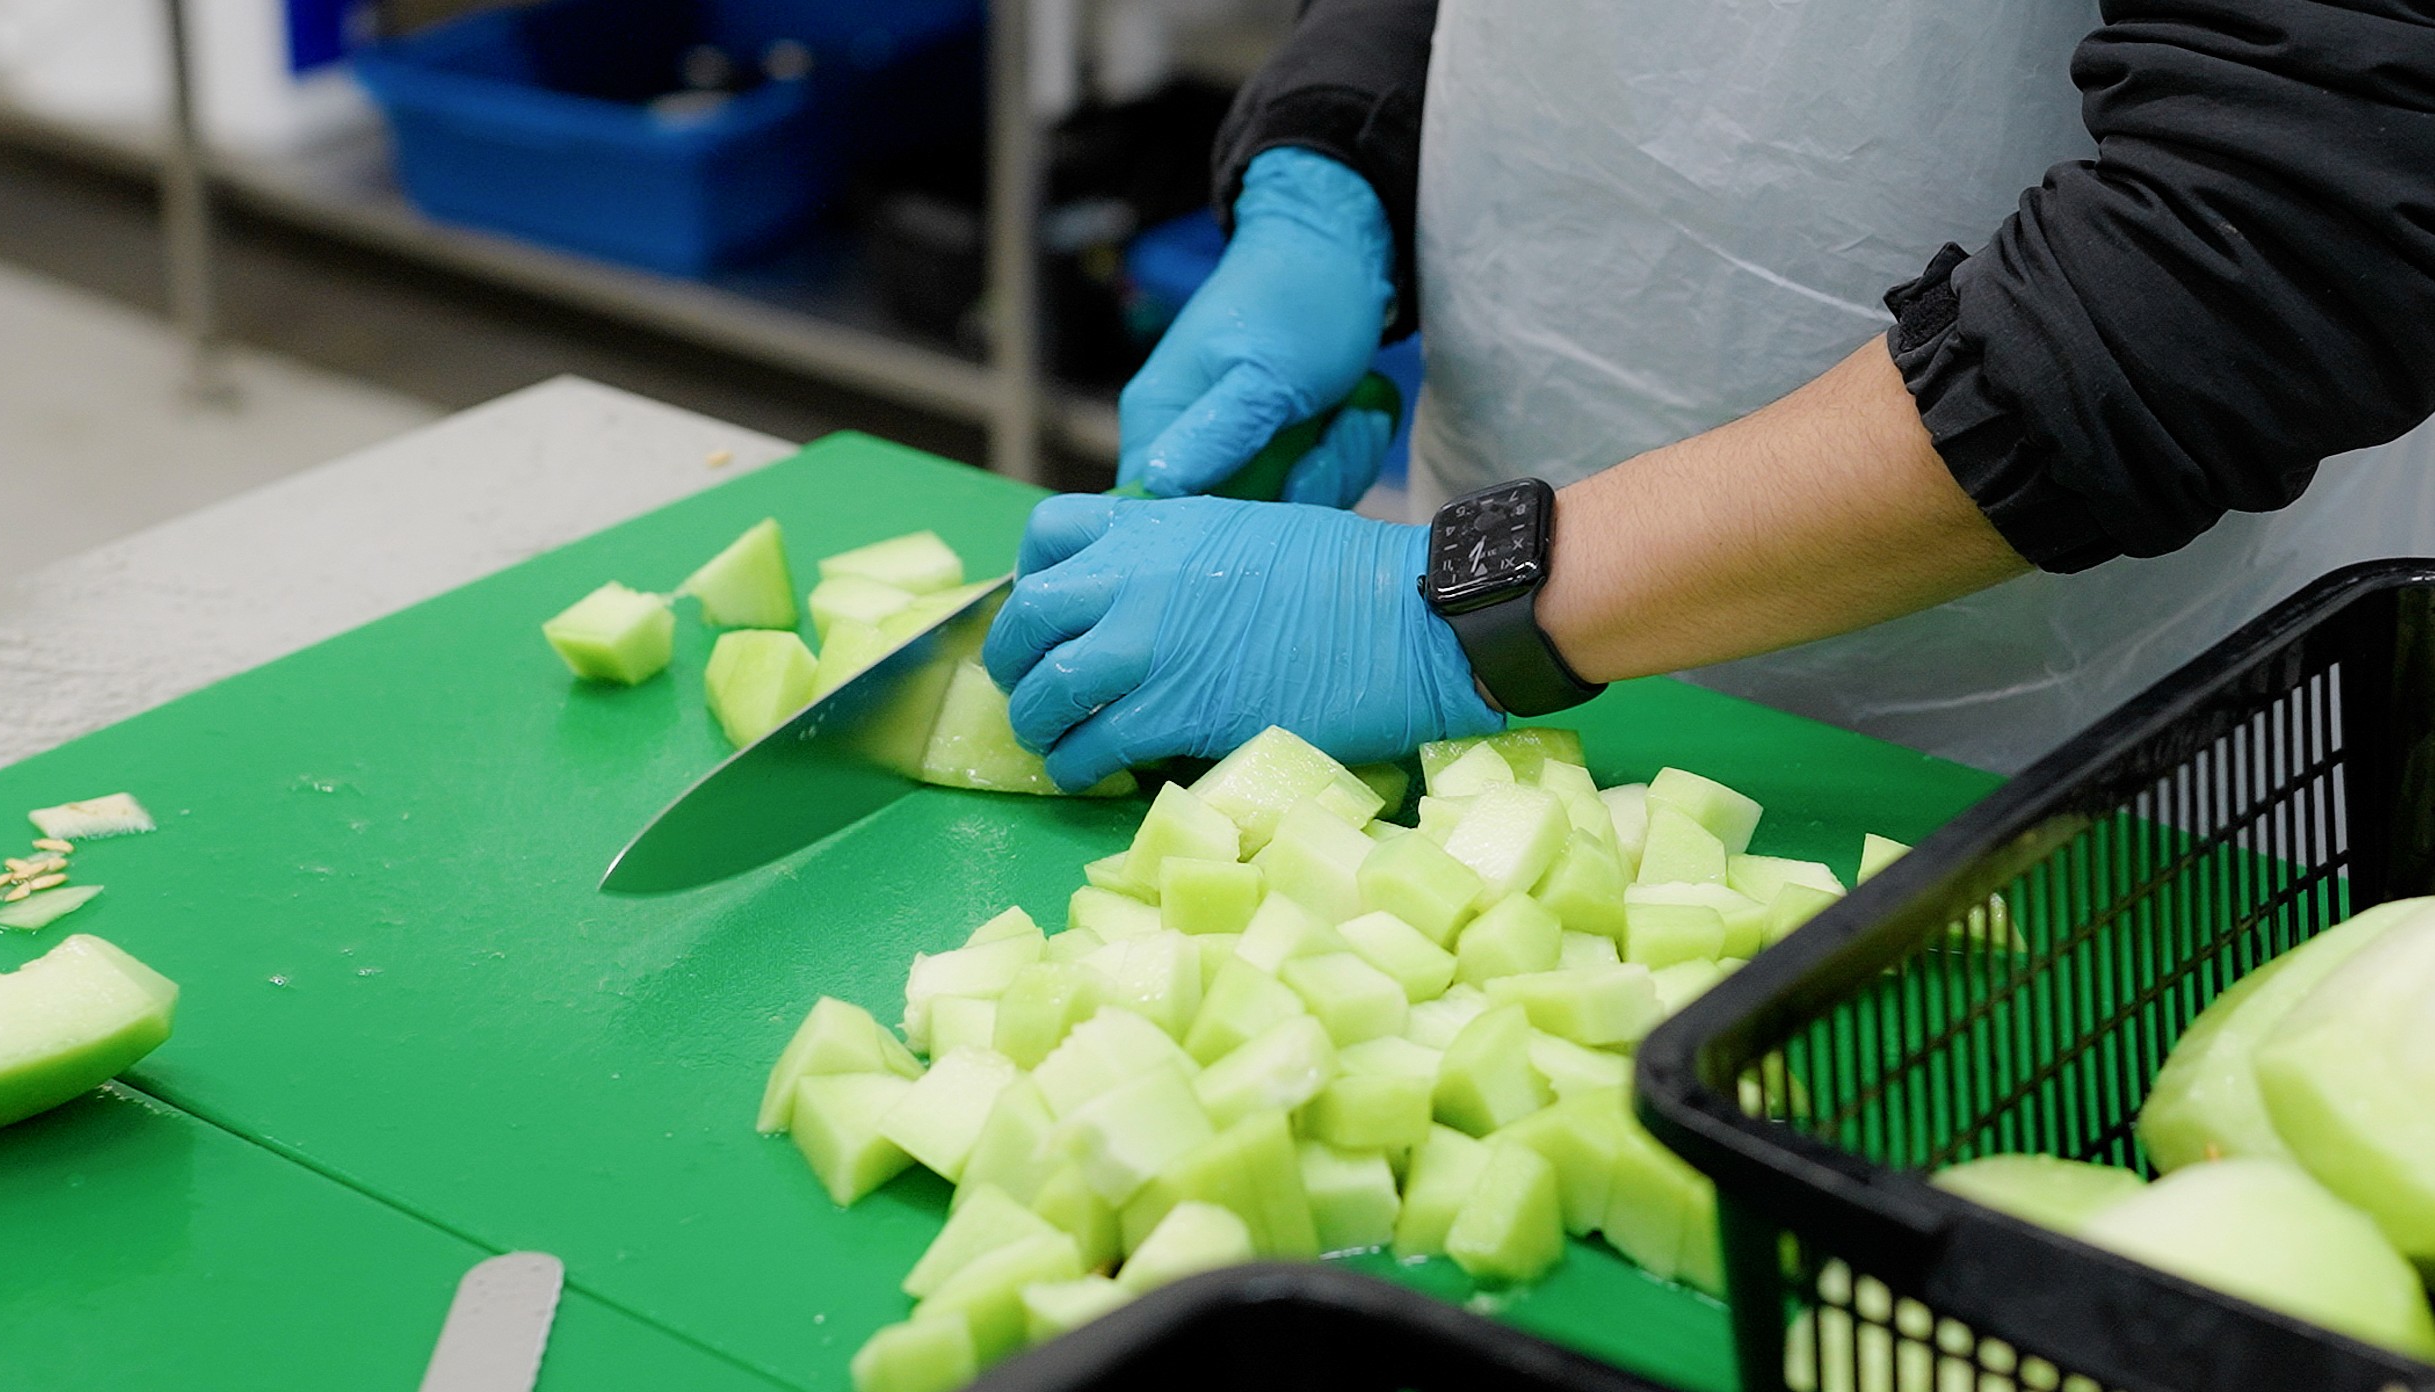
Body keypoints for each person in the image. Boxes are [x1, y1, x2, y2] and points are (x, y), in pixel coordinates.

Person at [984, 0, 2435, 792]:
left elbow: (2283, 215)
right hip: (1498, 660)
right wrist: (1331, 168)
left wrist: (1467, 603)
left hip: (2070, 760)